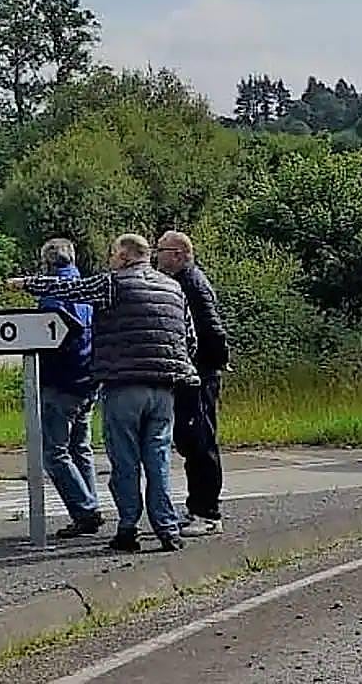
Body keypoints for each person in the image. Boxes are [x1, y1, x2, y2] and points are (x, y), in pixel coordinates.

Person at [10, 233, 198, 553]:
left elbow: (69, 289)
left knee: (125, 462)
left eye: (113, 254)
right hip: (165, 388)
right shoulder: (173, 287)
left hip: (123, 385)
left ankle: (128, 529)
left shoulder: (113, 284)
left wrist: (25, 283)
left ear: (125, 257)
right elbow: (189, 340)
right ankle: (167, 528)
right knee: (159, 460)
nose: (110, 259)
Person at [156, 230, 229, 537]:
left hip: (199, 375)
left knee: (200, 440)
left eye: (161, 250)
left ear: (179, 254)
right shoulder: (184, 282)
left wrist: (208, 365)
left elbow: (212, 329)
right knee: (189, 439)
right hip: (193, 373)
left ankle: (207, 512)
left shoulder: (192, 284)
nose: (156, 256)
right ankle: (197, 506)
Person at [34, 238, 101, 538]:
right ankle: (91, 505)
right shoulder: (88, 288)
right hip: (88, 378)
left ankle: (85, 510)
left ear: (47, 263)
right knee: (80, 448)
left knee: (55, 453)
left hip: (61, 381)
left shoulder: (53, 294)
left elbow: (51, 336)